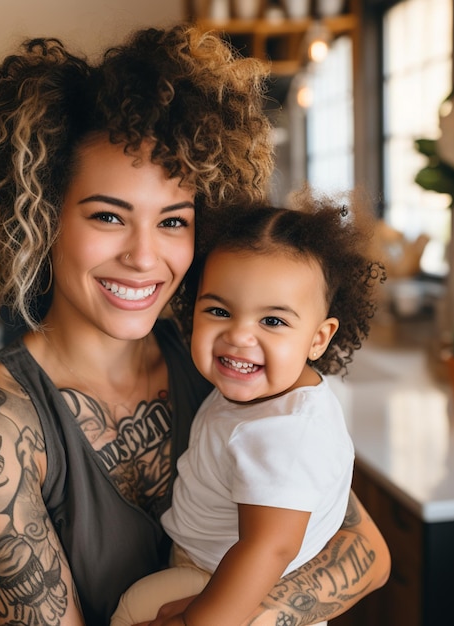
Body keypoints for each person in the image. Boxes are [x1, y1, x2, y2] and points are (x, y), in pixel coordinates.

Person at [0, 25, 390, 626]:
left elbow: (366, 553)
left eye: (173, 222)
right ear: (41, 218)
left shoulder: (226, 360)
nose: (146, 258)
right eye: (107, 217)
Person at [111, 197, 386, 626]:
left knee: (135, 609)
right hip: (217, 572)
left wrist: (199, 622)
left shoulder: (284, 433)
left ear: (319, 338)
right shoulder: (269, 397)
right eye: (219, 311)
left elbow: (269, 547)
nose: (239, 335)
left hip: (225, 586)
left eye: (272, 321)